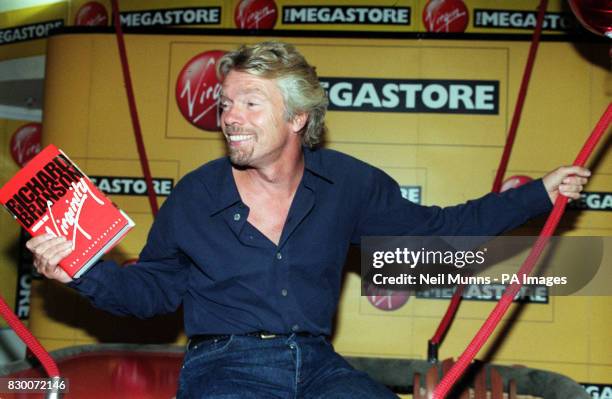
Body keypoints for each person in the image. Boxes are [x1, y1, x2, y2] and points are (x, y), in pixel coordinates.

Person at [27, 41, 590, 399]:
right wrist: (80, 268)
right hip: (227, 367)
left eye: (250, 103)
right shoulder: (196, 195)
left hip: (322, 366)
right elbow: (150, 292)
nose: (229, 118)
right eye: (224, 104)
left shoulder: (348, 183)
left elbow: (437, 230)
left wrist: (537, 194)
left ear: (298, 117)